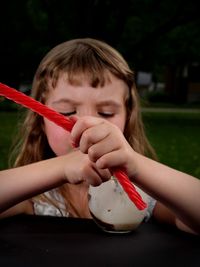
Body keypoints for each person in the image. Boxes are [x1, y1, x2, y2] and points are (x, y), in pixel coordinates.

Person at [0, 38, 199, 235]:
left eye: (106, 113)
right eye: (67, 112)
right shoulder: (33, 196)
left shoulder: (144, 194)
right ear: (40, 123)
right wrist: (61, 167)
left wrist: (137, 166)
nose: (88, 126)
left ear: (127, 118)